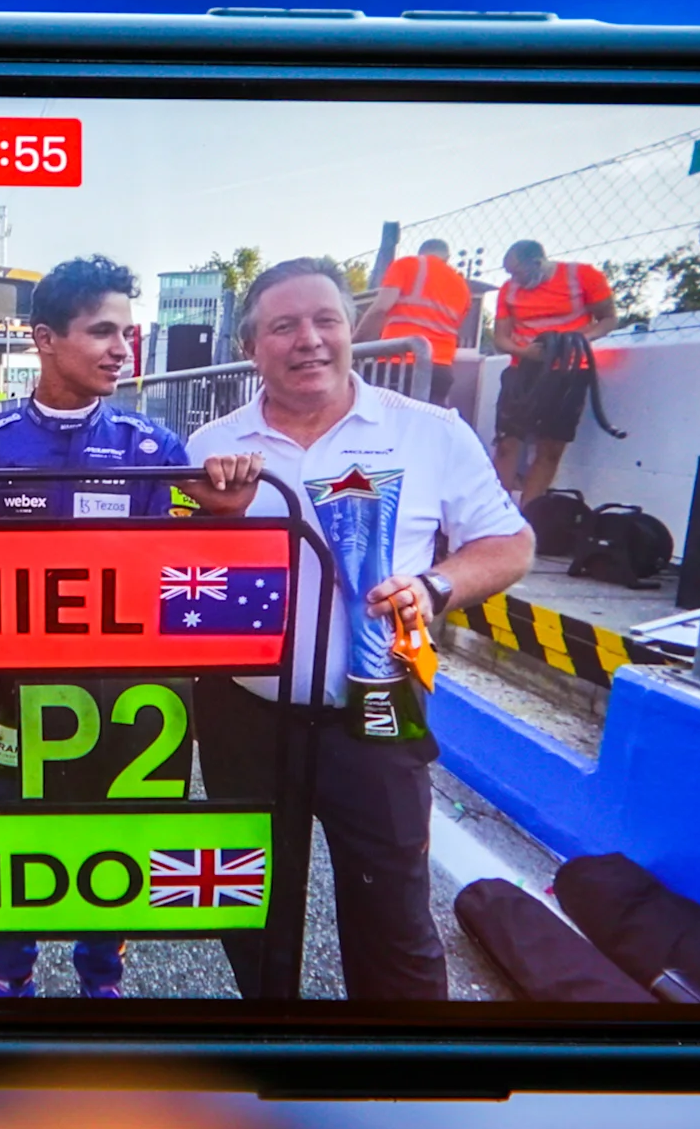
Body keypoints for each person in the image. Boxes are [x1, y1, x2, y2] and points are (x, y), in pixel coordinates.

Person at [183, 260, 536, 1002]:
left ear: (351, 332)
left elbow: (509, 543)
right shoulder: (209, 445)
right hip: (243, 715)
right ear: (253, 346)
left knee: (395, 921)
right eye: (284, 326)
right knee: (251, 915)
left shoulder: (430, 432)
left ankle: (403, 1089)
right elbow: (177, 577)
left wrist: (434, 586)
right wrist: (216, 514)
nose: (308, 340)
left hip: (381, 707)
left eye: (326, 321)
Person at [0, 255, 191, 1000]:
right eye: (102, 331)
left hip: (126, 695)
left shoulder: (154, 449)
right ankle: (11, 975)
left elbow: (183, 577)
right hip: (14, 695)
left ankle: (99, 979)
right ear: (45, 338)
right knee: (12, 841)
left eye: (128, 332)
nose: (121, 348)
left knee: (114, 840)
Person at [485, 239, 615, 507]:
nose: (514, 279)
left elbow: (609, 318)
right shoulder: (509, 290)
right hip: (522, 373)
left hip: (568, 373)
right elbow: (501, 338)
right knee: (507, 444)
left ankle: (529, 517)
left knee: (550, 448)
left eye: (517, 272)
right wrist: (526, 352)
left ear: (537, 263)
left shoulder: (582, 277)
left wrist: (579, 339)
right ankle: (495, 513)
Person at [366, 235, 483, 416]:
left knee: (389, 426)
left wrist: (354, 342)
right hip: (440, 368)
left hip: (399, 363)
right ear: (447, 258)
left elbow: (381, 307)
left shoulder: (407, 265)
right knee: (427, 427)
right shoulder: (461, 286)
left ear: (422, 252)